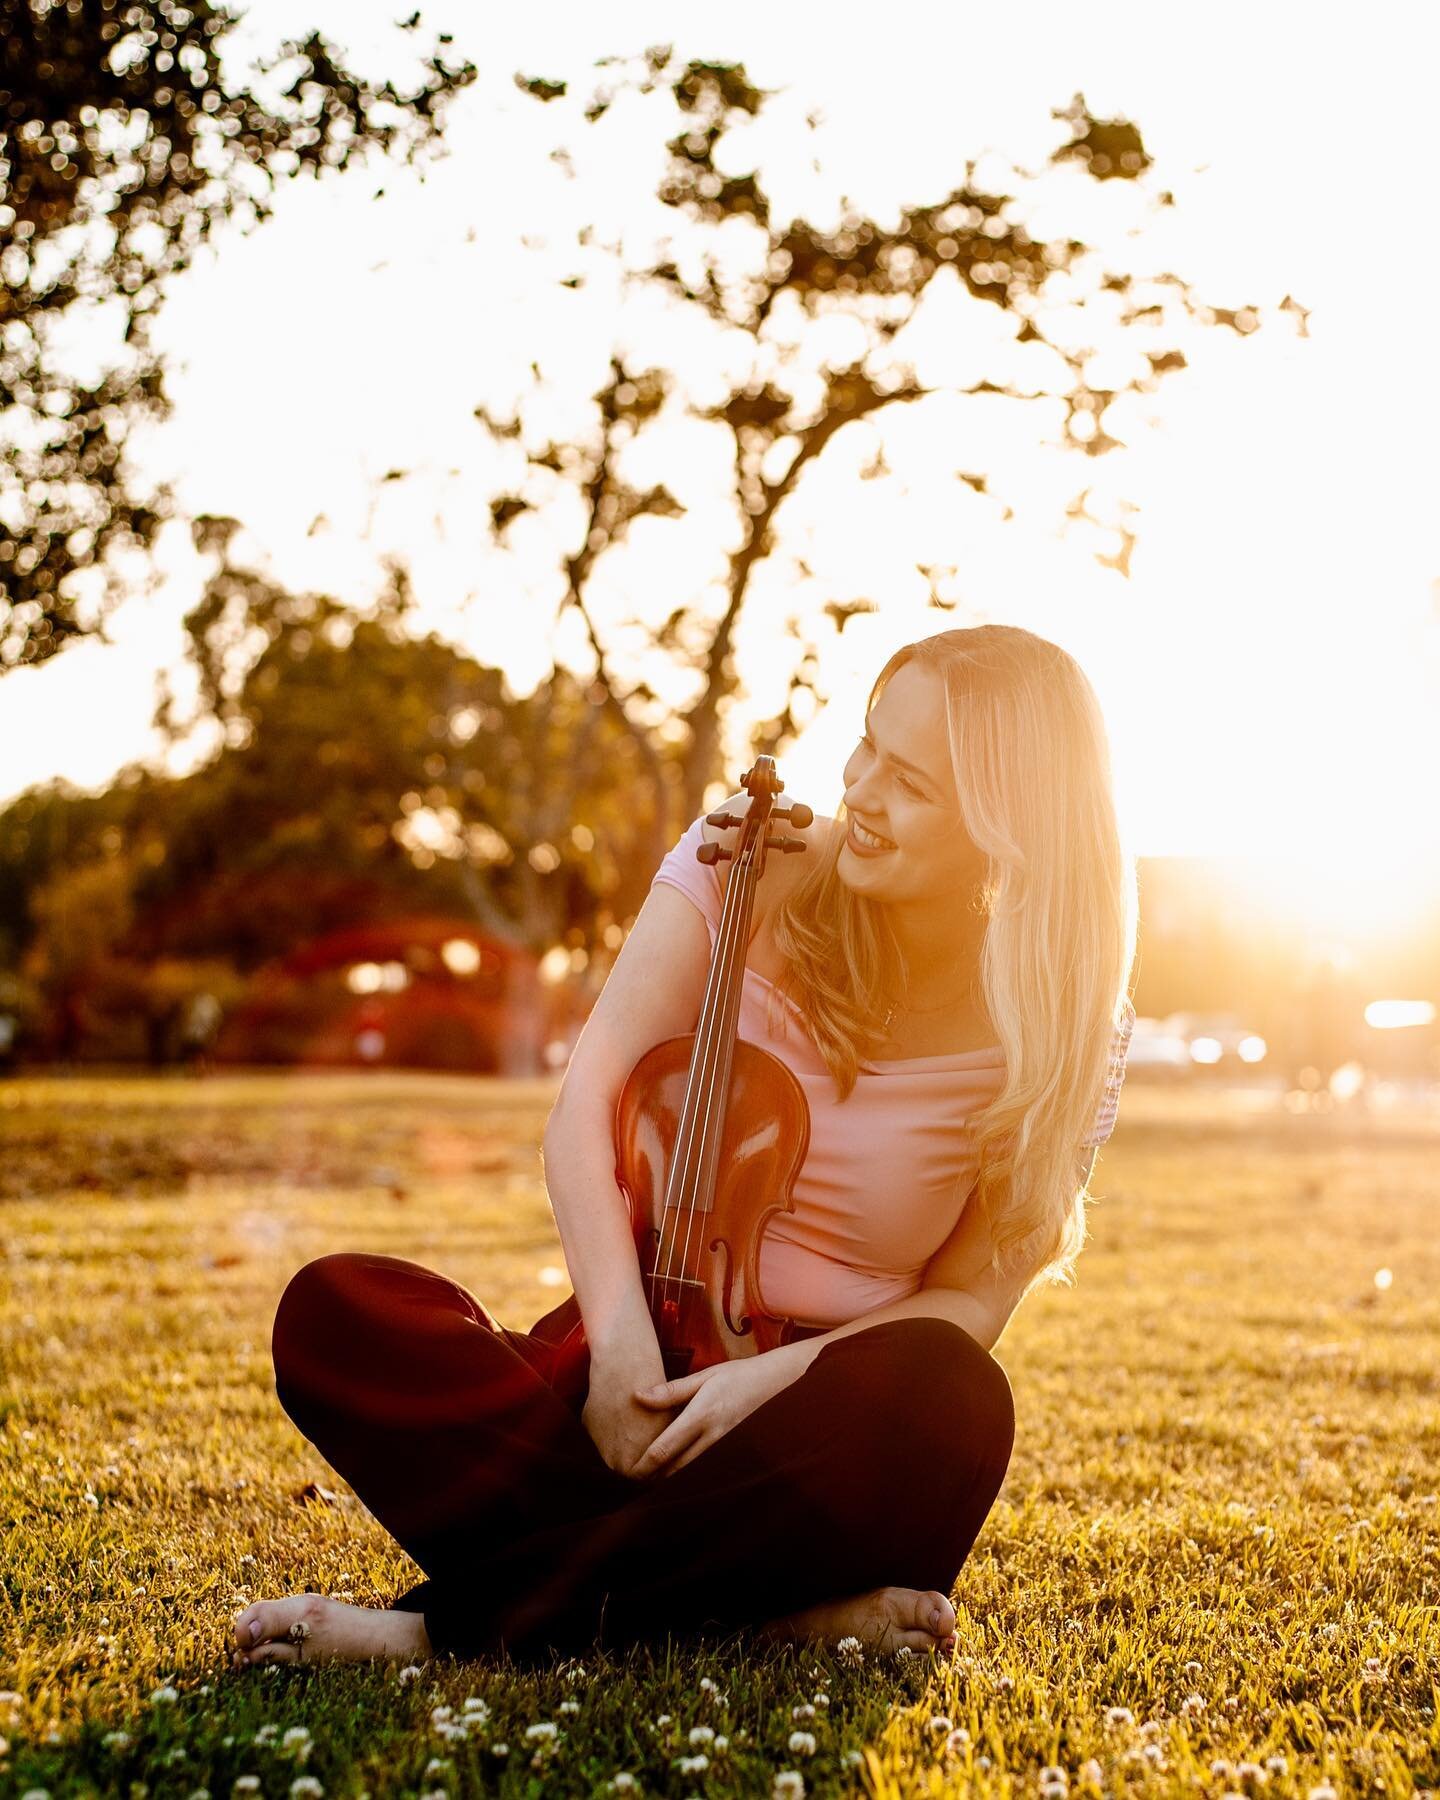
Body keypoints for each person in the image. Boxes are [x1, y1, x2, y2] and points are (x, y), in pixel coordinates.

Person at [230, 625, 1138, 1671]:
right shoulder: (745, 863)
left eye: (912, 783)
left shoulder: (1066, 1025)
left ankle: (442, 1634)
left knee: (956, 1399)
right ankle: (769, 1617)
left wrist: (765, 1383)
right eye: (867, 748)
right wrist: (619, 1354)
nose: (861, 791)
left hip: (819, 1440)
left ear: (1007, 827)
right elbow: (586, 1107)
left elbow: (971, 1302)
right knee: (339, 1312)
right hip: (639, 1353)